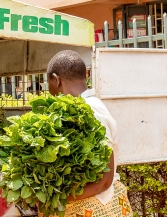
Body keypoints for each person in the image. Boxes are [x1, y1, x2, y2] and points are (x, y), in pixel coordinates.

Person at [45, 50, 132, 217]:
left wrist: (57, 198)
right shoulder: (83, 108)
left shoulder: (91, 111)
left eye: (50, 88)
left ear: (56, 80)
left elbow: (104, 181)